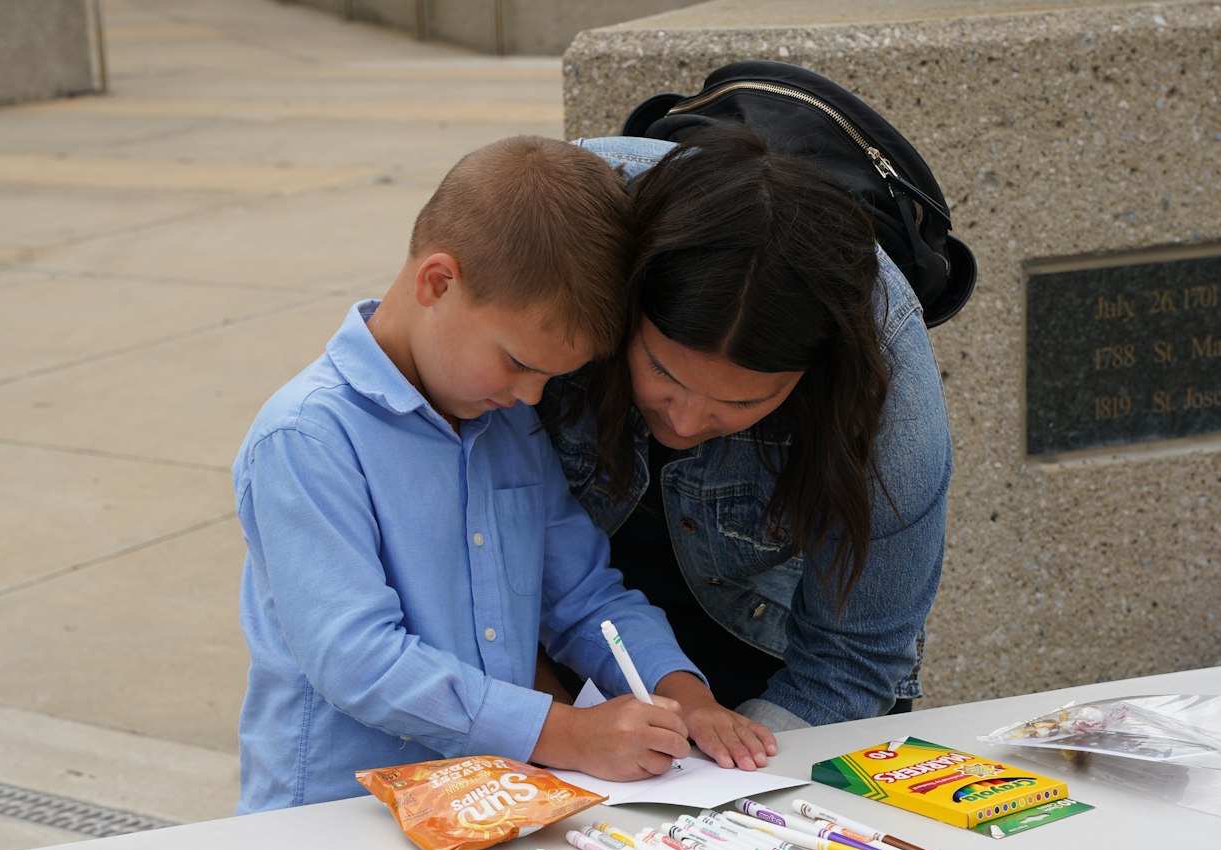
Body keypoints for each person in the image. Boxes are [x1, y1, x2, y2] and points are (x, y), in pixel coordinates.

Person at [233, 136, 776, 812]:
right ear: (437, 282)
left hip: (493, 807)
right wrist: (567, 734)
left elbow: (585, 595)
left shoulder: (507, 425)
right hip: (336, 821)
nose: (531, 396)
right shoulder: (308, 437)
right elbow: (359, 660)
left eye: (551, 377)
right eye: (518, 362)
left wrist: (682, 694)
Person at [540, 126, 952, 730]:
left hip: (768, 645)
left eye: (741, 402)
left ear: (814, 377)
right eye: (661, 370)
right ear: (624, 305)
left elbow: (854, 657)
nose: (681, 420)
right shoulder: (561, 241)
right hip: (547, 639)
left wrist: (744, 781)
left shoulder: (887, 382)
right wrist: (545, 731)